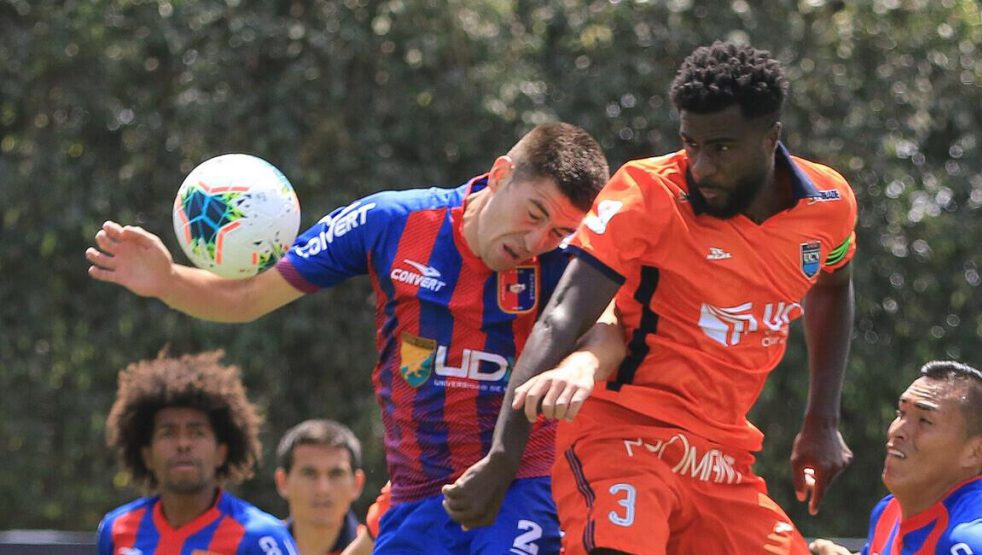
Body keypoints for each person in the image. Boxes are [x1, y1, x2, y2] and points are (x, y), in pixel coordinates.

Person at [86, 122, 624, 554]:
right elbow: (247, 299)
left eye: (558, 231)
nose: (537, 241)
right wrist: (166, 281)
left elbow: (611, 329)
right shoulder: (390, 222)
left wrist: (581, 365)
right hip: (419, 495)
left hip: (523, 483)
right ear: (501, 174)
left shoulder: (568, 258)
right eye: (534, 215)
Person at [443, 41, 858, 554]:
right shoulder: (647, 192)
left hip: (720, 457)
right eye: (690, 143)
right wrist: (504, 458)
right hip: (622, 437)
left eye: (721, 148)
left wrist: (821, 420)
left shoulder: (828, 204)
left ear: (770, 138)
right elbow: (562, 316)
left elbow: (833, 286)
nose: (701, 166)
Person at [809, 361, 982, 555]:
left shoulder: (975, 543)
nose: (897, 431)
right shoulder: (889, 511)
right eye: (901, 413)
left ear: (976, 452)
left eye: (925, 421)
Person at [97, 351, 298, 555]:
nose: (183, 444)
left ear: (221, 453)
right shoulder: (116, 529)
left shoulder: (262, 538)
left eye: (197, 433)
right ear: (147, 456)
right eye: (168, 433)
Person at [274, 419, 366, 555]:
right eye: (309, 474)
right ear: (282, 482)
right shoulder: (255, 547)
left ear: (357, 484)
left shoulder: (381, 550)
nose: (322, 489)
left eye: (336, 474)